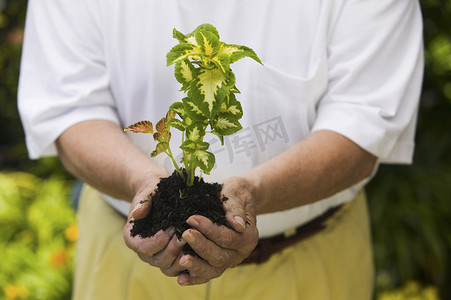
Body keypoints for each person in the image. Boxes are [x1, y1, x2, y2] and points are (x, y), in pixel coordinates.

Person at [18, 0, 424, 299]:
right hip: (127, 263)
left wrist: (253, 192)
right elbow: (70, 109)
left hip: (309, 261)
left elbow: (364, 123)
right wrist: (142, 181)